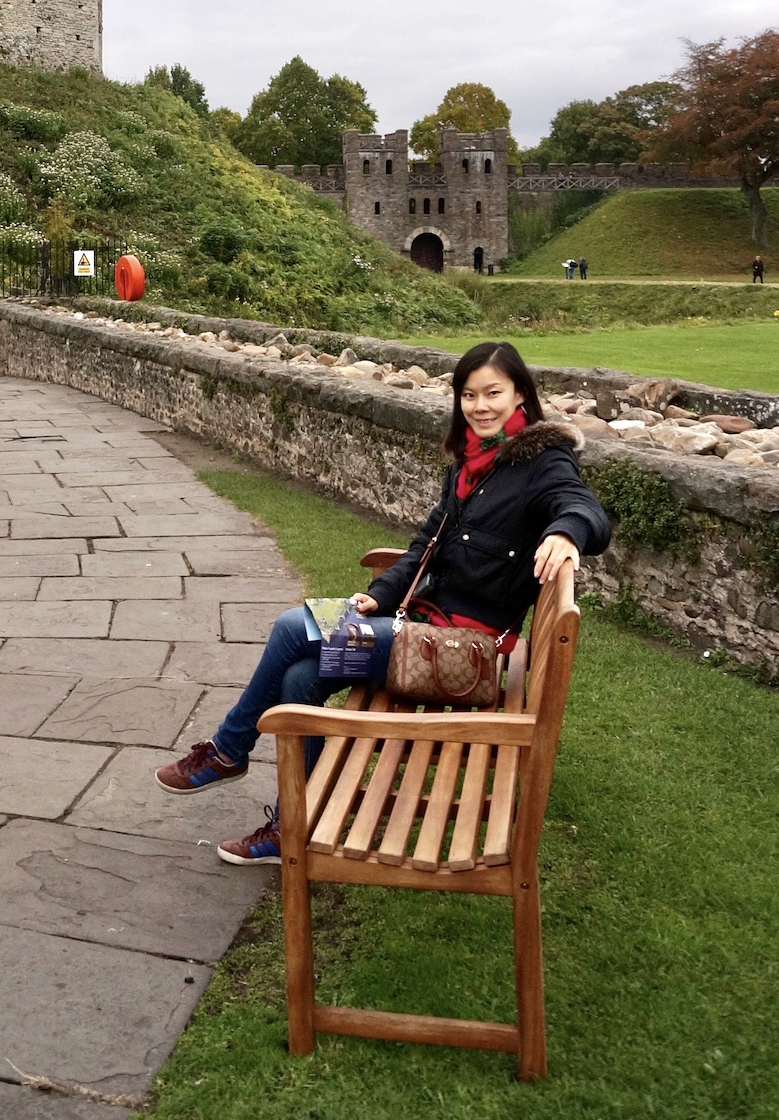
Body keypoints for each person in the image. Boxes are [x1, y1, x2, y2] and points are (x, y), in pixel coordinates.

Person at [153, 340, 611, 864]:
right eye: (468, 395)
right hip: (412, 629)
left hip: (461, 653)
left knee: (289, 628)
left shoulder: (542, 460)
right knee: (299, 680)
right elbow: (426, 544)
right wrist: (378, 596)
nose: (480, 406)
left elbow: (583, 508)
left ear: (520, 396)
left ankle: (228, 750)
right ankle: (292, 827)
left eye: (493, 393)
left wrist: (567, 533)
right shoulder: (470, 464)